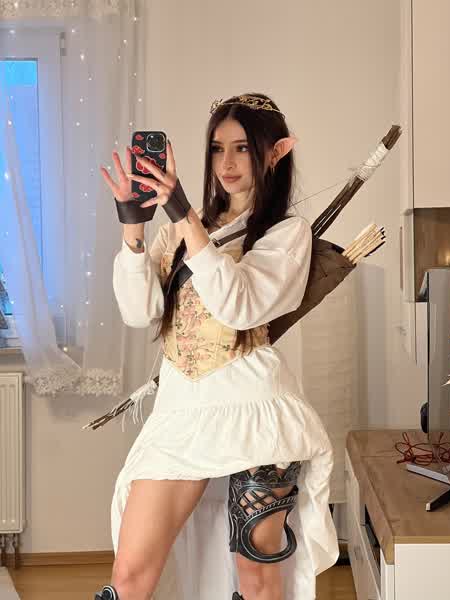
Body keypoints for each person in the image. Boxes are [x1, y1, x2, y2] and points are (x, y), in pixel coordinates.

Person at [96, 93, 339, 600]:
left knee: (256, 576)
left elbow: (240, 306)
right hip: (181, 415)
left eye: (242, 148)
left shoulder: (287, 234)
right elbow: (139, 313)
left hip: (256, 417)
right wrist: (133, 227)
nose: (226, 163)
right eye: (216, 148)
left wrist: (183, 214)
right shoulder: (178, 233)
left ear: (276, 152)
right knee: (129, 576)